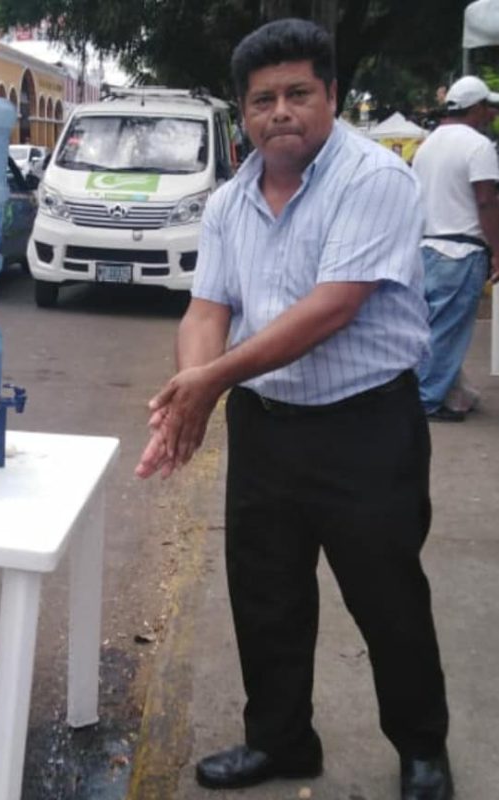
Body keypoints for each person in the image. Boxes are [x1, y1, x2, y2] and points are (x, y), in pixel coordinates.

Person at [135, 18, 452, 800]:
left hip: (364, 427)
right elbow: (207, 308)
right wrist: (190, 390)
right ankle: (279, 743)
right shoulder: (227, 203)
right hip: (266, 428)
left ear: (331, 95)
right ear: (243, 113)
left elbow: (331, 306)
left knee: (386, 596)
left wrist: (210, 382)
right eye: (262, 99)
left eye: (297, 93)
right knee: (265, 593)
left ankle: (421, 750)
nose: (280, 111)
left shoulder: (373, 179)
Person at [412, 75, 499, 422]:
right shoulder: (478, 146)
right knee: (448, 331)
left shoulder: (427, 145)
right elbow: (486, 201)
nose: (492, 114)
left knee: (430, 328)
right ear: (476, 108)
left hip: (427, 246)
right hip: (462, 250)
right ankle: (426, 400)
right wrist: (498, 249)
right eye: (489, 107)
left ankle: (446, 392)